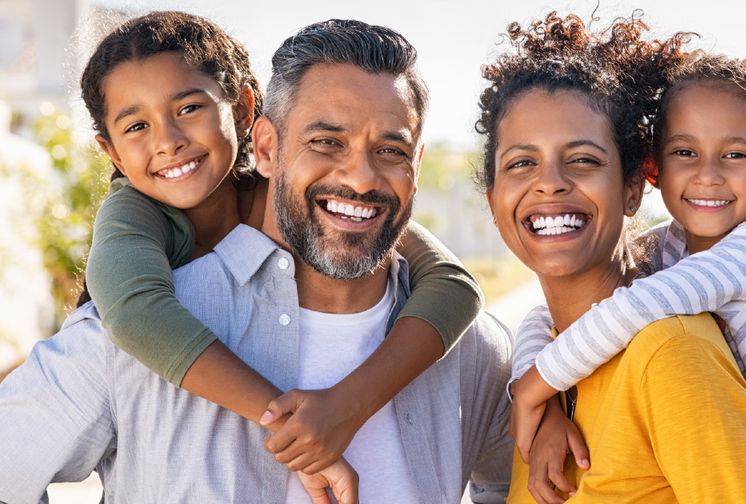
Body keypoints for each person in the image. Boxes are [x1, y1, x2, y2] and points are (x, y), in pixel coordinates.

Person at [0, 17, 513, 504]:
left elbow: (518, 481)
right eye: (326, 142)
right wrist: (285, 420)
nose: (360, 177)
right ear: (267, 147)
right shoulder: (122, 334)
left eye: (389, 150)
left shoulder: (469, 347)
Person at [77, 10, 484, 481]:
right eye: (136, 126)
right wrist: (289, 422)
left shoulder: (292, 193)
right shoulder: (133, 215)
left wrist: (347, 406)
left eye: (188, 108)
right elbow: (134, 314)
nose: (168, 141)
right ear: (111, 152)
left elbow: (452, 284)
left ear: (244, 111)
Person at [511, 47, 746, 502]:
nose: (707, 175)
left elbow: (633, 307)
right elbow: (547, 318)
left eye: (734, 154)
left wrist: (537, 385)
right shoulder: (669, 246)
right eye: (685, 151)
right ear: (655, 168)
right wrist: (540, 396)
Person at [477, 12, 746, 503]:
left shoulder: (670, 353)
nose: (550, 181)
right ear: (493, 201)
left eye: (583, 159)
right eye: (521, 163)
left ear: (633, 188)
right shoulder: (540, 379)